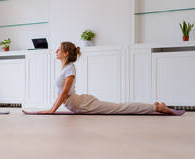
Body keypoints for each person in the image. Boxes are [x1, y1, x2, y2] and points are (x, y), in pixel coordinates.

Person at [37, 42, 185, 115]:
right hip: (79, 102)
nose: (56, 51)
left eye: (59, 49)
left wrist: (51, 110)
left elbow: (64, 93)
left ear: (66, 53)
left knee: (119, 108)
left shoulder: (69, 69)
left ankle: (157, 107)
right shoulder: (65, 68)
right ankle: (155, 106)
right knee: (118, 107)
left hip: (81, 104)